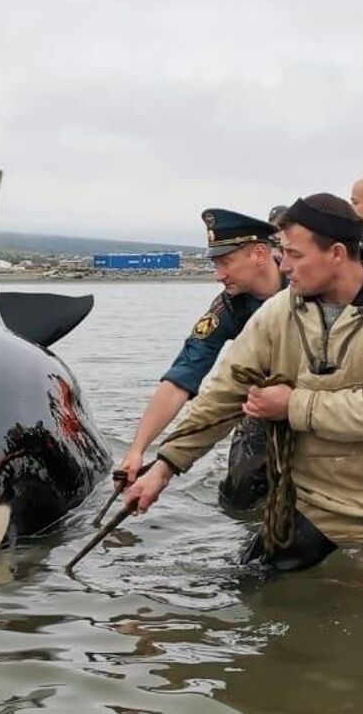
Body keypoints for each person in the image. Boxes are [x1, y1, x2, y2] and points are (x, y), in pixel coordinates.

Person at [124, 193, 363, 601]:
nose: (283, 265)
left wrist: (292, 405)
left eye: (293, 254)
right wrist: (164, 467)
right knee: (243, 589)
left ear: (337, 253)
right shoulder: (280, 310)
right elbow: (223, 392)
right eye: (281, 253)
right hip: (315, 499)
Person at [118, 209, 285, 509]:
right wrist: (137, 449)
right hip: (259, 407)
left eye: (226, 261)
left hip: (315, 404)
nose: (218, 275)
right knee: (238, 499)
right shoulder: (228, 309)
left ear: (259, 253)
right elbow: (182, 375)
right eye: (215, 263)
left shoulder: (306, 281)